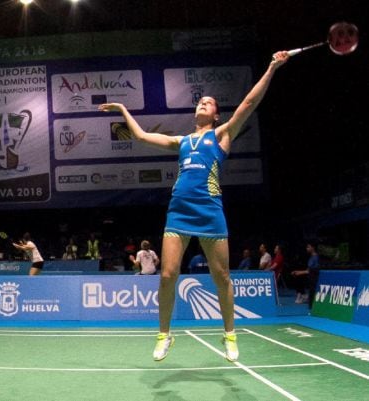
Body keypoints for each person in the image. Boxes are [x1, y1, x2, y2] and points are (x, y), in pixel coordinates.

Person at [98, 50, 289, 362]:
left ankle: (229, 333)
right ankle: (164, 335)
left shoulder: (222, 135)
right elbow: (143, 136)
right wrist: (121, 108)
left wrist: (271, 68)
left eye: (209, 103)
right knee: (167, 275)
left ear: (216, 115)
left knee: (222, 277)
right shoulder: (182, 142)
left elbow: (249, 104)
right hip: (179, 211)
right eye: (200, 102)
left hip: (210, 211)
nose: (202, 103)